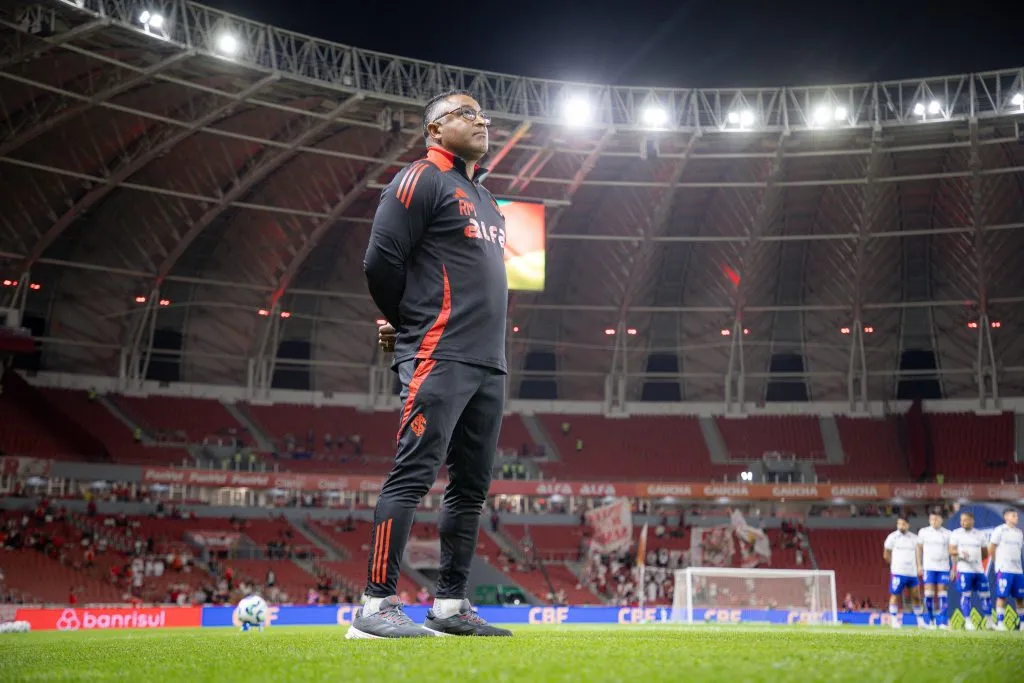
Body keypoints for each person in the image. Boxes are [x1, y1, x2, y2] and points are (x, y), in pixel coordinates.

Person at [349, 89, 511, 640]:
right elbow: (379, 261)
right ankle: (374, 608)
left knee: (470, 488)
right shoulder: (420, 177)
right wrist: (411, 323)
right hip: (438, 352)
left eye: (483, 114)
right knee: (412, 476)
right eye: (466, 113)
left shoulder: (486, 200)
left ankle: (449, 607)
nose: (481, 121)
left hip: (488, 363)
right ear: (436, 130)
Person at [949, 510, 992, 630]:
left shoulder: (980, 534)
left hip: (978, 570)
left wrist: (975, 560)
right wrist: (960, 554)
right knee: (966, 595)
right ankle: (968, 621)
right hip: (964, 570)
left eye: (965, 520)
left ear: (972, 521)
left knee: (986, 595)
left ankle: (989, 622)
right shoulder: (956, 533)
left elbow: (985, 553)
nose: (963, 522)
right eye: (961, 520)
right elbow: (951, 550)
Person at [883, 516, 925, 629]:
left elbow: (919, 554)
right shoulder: (892, 537)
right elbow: (886, 554)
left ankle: (920, 621)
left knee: (916, 596)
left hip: (912, 573)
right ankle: (894, 620)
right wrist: (894, 564)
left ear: (908, 525)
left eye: (903, 524)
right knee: (895, 594)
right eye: (899, 524)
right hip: (898, 571)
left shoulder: (914, 538)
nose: (901, 526)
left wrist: (919, 566)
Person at [988, 508, 1024, 631]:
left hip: (1018, 570)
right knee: (1002, 596)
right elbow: (991, 548)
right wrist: (997, 564)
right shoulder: (999, 530)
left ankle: (1022, 624)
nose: (1016, 517)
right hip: (1004, 569)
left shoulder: (1019, 533)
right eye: (1013, 515)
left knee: (1020, 598)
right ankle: (1000, 623)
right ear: (1006, 517)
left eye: (1016, 515)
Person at [916, 509, 952, 629]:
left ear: (941, 520)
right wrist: (919, 565)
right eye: (931, 519)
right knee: (929, 594)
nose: (934, 521)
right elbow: (918, 548)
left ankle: (942, 622)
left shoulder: (948, 534)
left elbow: (952, 552)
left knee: (942, 594)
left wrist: (953, 568)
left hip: (943, 567)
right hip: (929, 567)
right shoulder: (923, 532)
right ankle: (931, 621)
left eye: (936, 519)